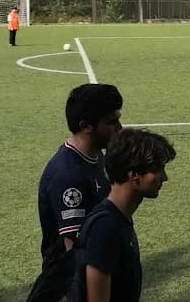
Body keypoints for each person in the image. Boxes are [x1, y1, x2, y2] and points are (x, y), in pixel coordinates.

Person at [27, 84, 124, 302]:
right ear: (85, 126)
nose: (119, 127)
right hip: (70, 285)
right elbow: (75, 248)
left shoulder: (95, 156)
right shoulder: (70, 175)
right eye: (111, 122)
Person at [68, 128, 176, 302]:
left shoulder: (119, 219)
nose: (164, 177)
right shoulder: (105, 227)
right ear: (133, 175)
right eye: (158, 169)